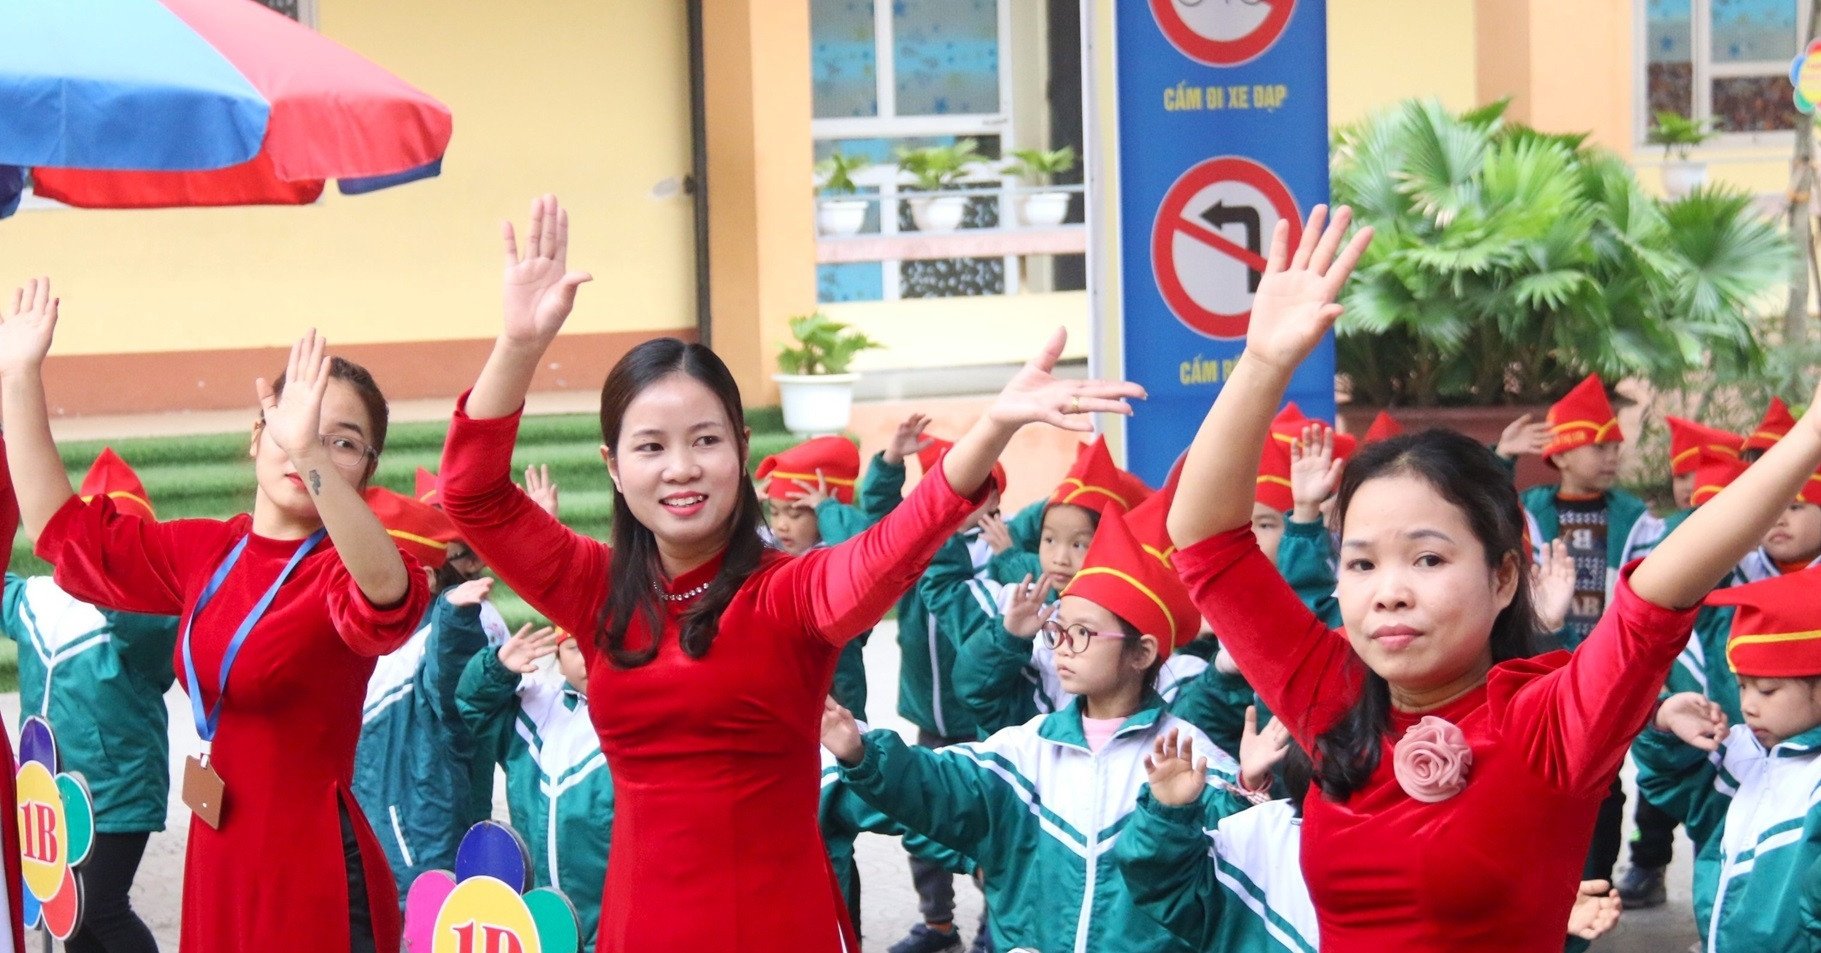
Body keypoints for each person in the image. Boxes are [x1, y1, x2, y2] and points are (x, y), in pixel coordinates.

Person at [434, 195, 1144, 952]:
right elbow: (471, 492)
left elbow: (900, 538)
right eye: (650, 447)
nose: (681, 468)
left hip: (781, 924)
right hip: (643, 928)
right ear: (612, 467)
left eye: (704, 440)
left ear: (739, 447)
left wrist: (993, 425)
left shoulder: (790, 593)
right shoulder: (596, 589)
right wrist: (516, 343)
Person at [1164, 205, 1821, 952]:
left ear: (1504, 575)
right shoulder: (1334, 703)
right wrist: (1262, 362)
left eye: (1428, 558)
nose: (1388, 589)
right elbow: (1206, 543)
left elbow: (1658, 592)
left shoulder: (1549, 724)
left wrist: (1808, 435)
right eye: (1361, 561)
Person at [1, 278, 431, 953]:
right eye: (292, 424)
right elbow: (64, 534)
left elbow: (388, 594)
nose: (307, 444)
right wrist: (20, 376)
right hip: (220, 838)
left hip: (311, 861)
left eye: (342, 441)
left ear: (365, 469)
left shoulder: (346, 565)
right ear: (258, 433)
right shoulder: (210, 549)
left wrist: (308, 451)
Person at [822, 509, 1238, 953]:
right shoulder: (1028, 748)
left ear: (1142, 653)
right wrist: (861, 754)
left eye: (1083, 633)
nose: (1062, 648)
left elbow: (1230, 888)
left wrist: (1247, 786)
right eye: (1058, 630)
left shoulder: (1188, 762)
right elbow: (938, 786)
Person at [1, 447, 177, 953]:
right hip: (50, 791)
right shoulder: (35, 597)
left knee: (101, 906)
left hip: (119, 796)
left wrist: (109, 575)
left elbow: (155, 643)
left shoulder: (148, 606)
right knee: (72, 920)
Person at [1638, 566, 1821, 952]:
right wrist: (1665, 723)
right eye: (1742, 686)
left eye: (1768, 690)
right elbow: (1667, 783)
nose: (1748, 706)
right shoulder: (1743, 756)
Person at [350, 486, 494, 908]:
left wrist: (456, 621)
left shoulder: (438, 634)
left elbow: (453, 696)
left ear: (426, 579)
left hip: (417, 851)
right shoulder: (353, 631)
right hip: (358, 841)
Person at [457, 623, 614, 952]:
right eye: (574, 648)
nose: (588, 659)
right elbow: (475, 707)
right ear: (557, 656)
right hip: (540, 915)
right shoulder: (537, 705)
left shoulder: (638, 714)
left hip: (610, 911)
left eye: (600, 645)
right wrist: (497, 670)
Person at [755, 434, 870, 718]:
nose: (782, 525)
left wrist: (828, 509)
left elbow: (861, 549)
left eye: (795, 515)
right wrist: (746, 505)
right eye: (775, 512)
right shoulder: (771, 549)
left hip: (836, 692)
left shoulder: (833, 556)